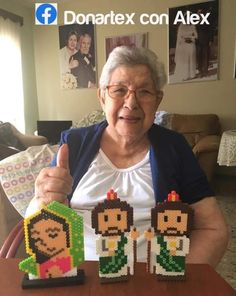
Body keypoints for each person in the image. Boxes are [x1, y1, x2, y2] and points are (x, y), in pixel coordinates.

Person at [27, 46, 228, 267]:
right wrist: (41, 200)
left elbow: (213, 229)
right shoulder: (74, 144)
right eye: (119, 90)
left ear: (157, 100)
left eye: (144, 92)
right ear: (102, 97)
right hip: (79, 278)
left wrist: (178, 282)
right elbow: (37, 220)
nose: (131, 103)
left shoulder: (174, 147)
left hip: (155, 283)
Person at [91, 189, 139, 282]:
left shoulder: (123, 239)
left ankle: (119, 272)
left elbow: (128, 247)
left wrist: (133, 238)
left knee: (121, 267)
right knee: (106, 266)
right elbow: (99, 249)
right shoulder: (102, 240)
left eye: (118, 217)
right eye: (105, 218)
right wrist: (108, 250)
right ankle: (108, 273)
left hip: (120, 261)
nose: (112, 223)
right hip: (106, 261)